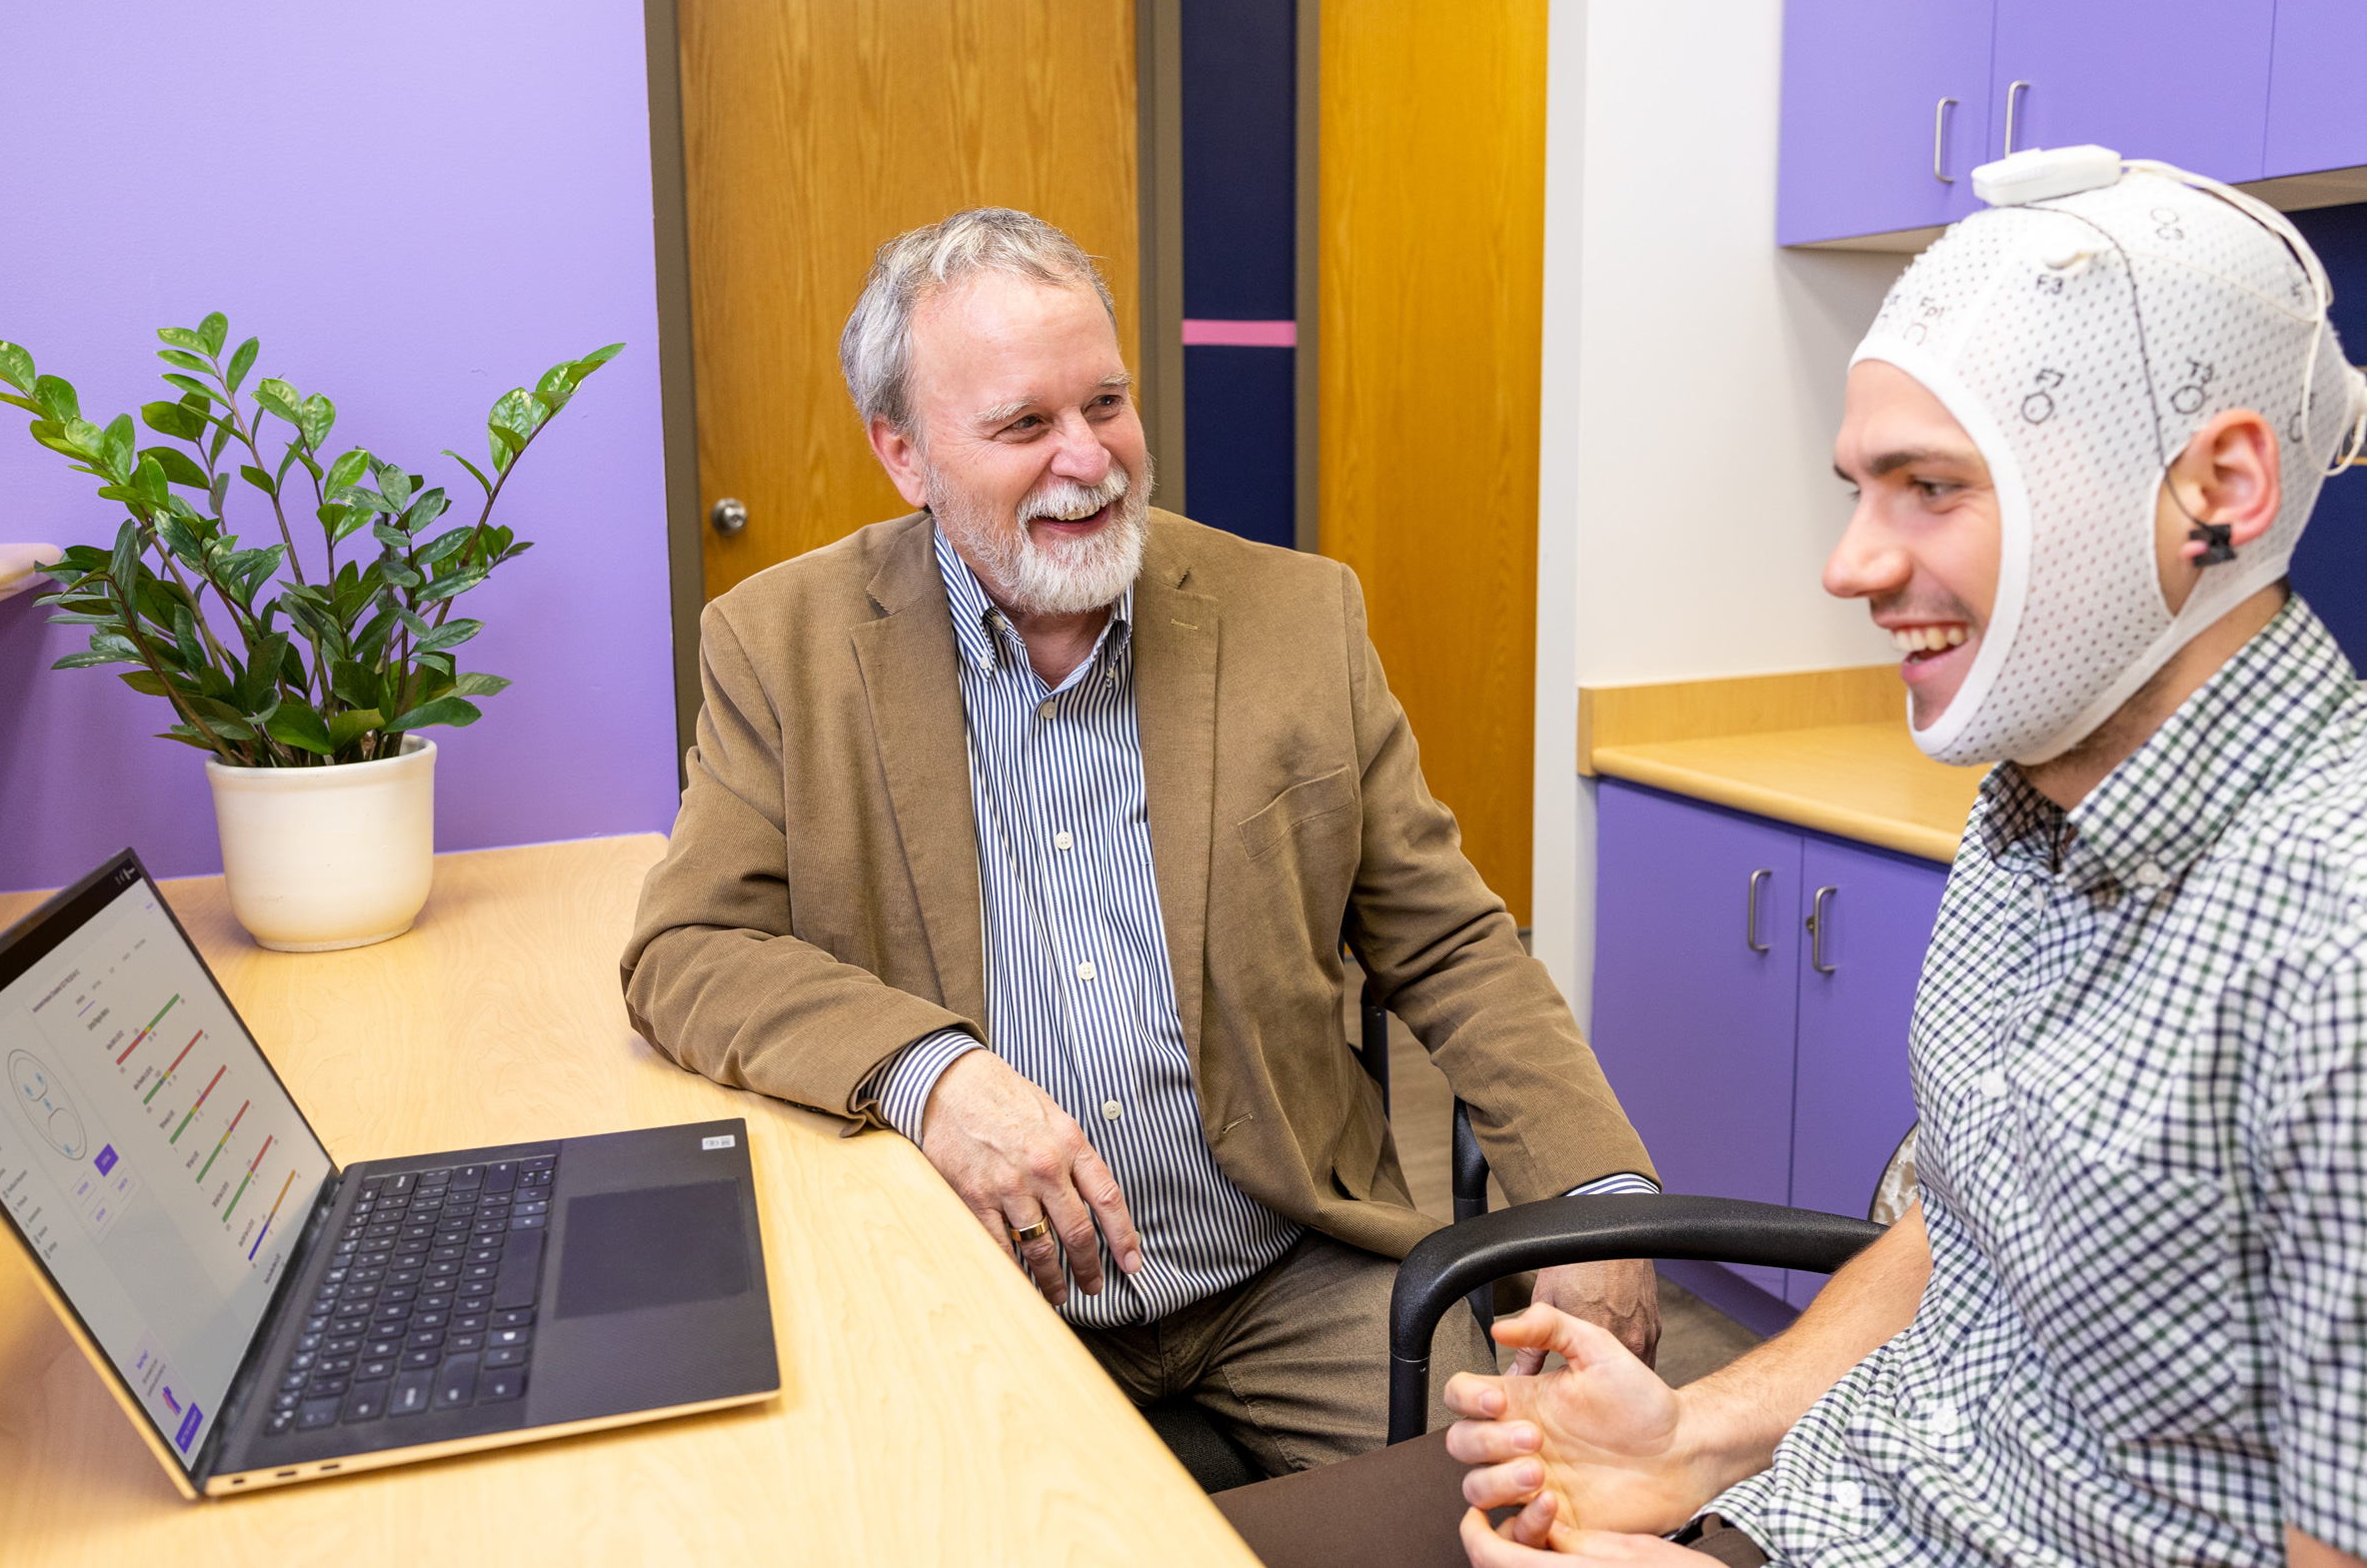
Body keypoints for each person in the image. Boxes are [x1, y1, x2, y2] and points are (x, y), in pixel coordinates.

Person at [1423, 158, 2367, 1565]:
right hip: (1817, 1502)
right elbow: (1973, 1221)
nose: (1851, 565)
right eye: (1861, 489)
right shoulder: (2030, 799)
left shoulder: (2333, 947)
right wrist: (1696, 1432)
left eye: (1931, 487)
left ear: (2216, 488)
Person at [619, 207, 1661, 1474]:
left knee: (1517, 1514)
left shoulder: (1297, 616)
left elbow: (1448, 943)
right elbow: (688, 947)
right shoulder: (779, 646)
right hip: (988, 1278)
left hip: (1289, 1261)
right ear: (904, 453)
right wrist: (932, 1074)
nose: (1087, 458)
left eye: (1104, 403)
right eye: (1023, 424)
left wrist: (1598, 1202)